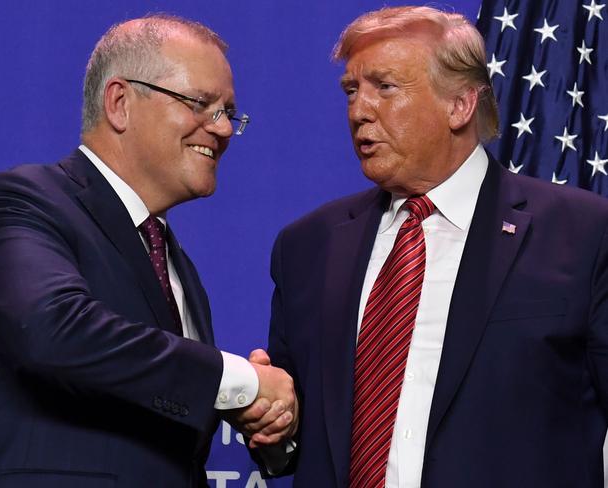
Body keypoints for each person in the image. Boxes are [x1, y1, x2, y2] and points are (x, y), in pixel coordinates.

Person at [255, 5, 608, 488]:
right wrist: (272, 419)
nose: (360, 110)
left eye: (385, 87)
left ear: (460, 104)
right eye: (352, 91)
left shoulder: (584, 233)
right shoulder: (306, 245)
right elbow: (291, 440)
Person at [0, 14, 296, 487]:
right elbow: (52, 330)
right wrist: (236, 381)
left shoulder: (179, 267)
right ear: (119, 102)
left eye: (227, 112)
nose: (221, 130)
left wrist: (256, 415)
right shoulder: (21, 199)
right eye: (201, 104)